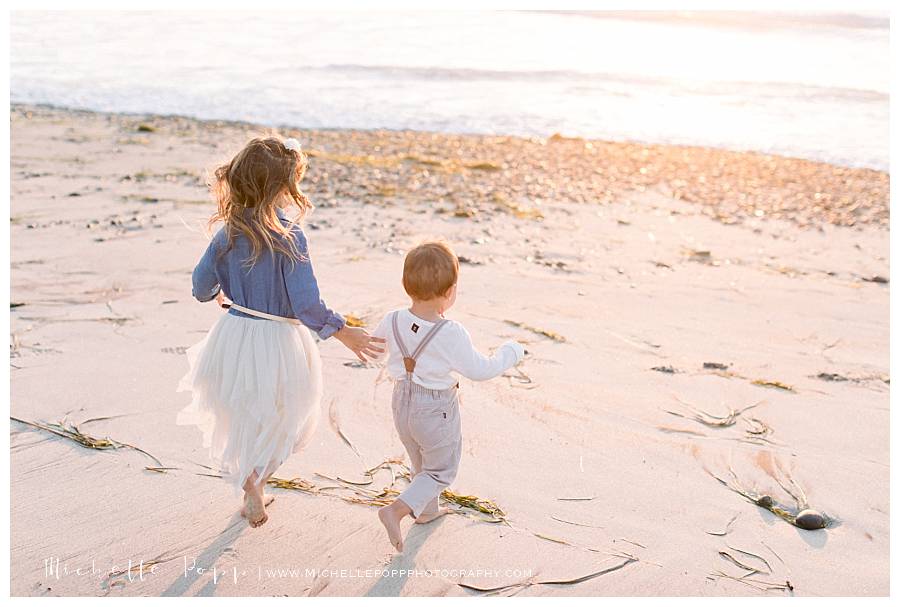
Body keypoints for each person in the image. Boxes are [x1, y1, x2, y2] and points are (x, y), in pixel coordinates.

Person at [176, 136, 384, 528]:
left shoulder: (227, 233)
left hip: (234, 336)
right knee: (287, 415)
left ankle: (250, 480)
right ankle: (256, 478)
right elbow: (306, 304)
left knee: (244, 412)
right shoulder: (290, 236)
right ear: (283, 188)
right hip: (278, 340)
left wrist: (225, 293)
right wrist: (343, 331)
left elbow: (200, 287)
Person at [371, 241, 524, 551]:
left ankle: (425, 512)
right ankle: (397, 510)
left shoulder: (392, 319)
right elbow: (481, 369)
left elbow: (374, 348)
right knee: (441, 469)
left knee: (419, 460)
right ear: (450, 291)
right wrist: (510, 353)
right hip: (435, 408)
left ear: (406, 284)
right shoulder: (451, 332)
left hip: (401, 402)